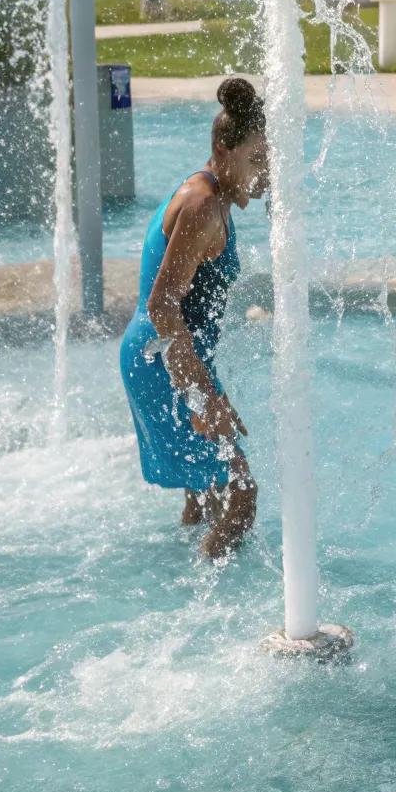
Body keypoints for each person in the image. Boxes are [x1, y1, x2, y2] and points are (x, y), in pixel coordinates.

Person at [119, 78, 269, 560]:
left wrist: (209, 388)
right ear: (223, 150)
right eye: (258, 160)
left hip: (173, 354)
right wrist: (202, 397)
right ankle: (204, 608)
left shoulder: (217, 196)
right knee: (241, 494)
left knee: (206, 492)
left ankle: (182, 581)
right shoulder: (203, 205)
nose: (265, 176)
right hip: (160, 357)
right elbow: (163, 304)